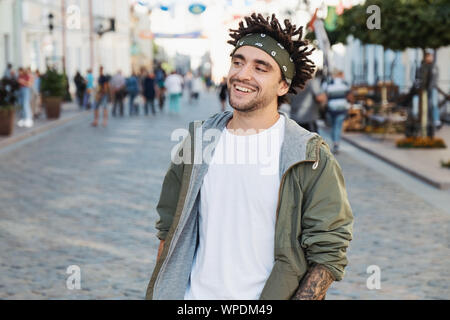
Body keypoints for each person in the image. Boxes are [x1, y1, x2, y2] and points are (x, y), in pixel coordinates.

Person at [146, 13, 353, 300]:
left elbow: (328, 251)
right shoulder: (198, 142)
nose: (242, 74)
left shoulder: (309, 155)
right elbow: (168, 228)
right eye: (238, 61)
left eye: (261, 67)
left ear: (283, 86)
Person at [289, 69, 327, 133]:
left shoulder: (293, 84)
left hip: (294, 118)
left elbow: (288, 100)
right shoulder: (312, 82)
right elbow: (319, 98)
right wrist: (325, 96)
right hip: (308, 117)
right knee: (313, 142)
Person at [323, 70, 352, 154]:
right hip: (341, 108)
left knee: (333, 126)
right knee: (338, 126)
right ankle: (336, 143)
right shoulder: (345, 83)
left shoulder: (328, 83)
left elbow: (324, 96)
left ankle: (335, 142)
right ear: (340, 75)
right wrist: (350, 104)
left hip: (331, 108)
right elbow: (349, 96)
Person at [419, 51, 441, 135]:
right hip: (424, 89)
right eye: (428, 56)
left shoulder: (434, 66)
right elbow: (421, 77)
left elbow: (434, 79)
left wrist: (430, 88)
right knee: (426, 105)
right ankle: (426, 121)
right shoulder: (423, 66)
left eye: (430, 56)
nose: (429, 58)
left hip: (432, 89)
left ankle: (436, 121)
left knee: (434, 104)